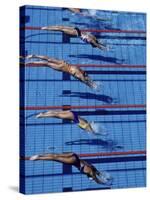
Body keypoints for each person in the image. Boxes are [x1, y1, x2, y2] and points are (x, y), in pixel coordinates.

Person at [22, 152, 112, 185]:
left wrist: (104, 177)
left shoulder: (93, 168)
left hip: (74, 155)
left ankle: (36, 156)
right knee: (55, 158)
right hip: (73, 161)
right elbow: (97, 180)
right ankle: (38, 158)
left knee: (55, 154)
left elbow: (98, 174)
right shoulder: (91, 173)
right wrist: (105, 183)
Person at [26, 54, 101, 91]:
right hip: (63, 67)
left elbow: (86, 78)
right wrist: (92, 85)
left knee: (48, 59)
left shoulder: (81, 72)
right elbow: (85, 80)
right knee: (47, 63)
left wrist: (92, 84)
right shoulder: (80, 76)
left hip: (64, 63)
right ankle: (31, 61)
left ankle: (33, 56)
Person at [36, 110, 107, 136]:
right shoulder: (87, 127)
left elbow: (84, 121)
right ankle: (42, 115)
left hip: (73, 113)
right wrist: (97, 133)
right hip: (72, 116)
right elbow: (91, 130)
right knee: (57, 115)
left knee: (58, 113)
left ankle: (45, 113)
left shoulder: (87, 123)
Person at [41, 25, 108, 51]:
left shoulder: (93, 39)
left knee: (60, 28)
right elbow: (98, 44)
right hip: (76, 32)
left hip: (77, 31)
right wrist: (104, 48)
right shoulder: (92, 41)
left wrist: (104, 47)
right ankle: (46, 28)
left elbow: (98, 43)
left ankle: (46, 28)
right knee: (60, 28)